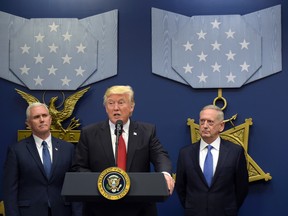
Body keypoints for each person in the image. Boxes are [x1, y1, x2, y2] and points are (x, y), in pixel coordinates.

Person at [72, 85, 174, 216]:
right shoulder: (89, 133)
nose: (116, 108)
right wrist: (100, 183)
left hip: (139, 208)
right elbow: (79, 166)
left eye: (121, 102)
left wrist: (165, 173)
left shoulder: (146, 131)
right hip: (100, 208)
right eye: (111, 103)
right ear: (105, 108)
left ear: (131, 107)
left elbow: (160, 155)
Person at [3, 102, 81, 216]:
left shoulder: (68, 148)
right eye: (36, 117)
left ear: (50, 119)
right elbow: (10, 192)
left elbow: (75, 187)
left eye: (44, 115)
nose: (42, 120)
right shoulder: (16, 151)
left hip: (62, 211)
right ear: (28, 123)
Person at [176, 105, 249, 216]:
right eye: (202, 121)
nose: (205, 126)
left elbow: (242, 187)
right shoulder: (185, 153)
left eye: (210, 122)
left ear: (221, 126)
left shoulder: (235, 152)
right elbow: (181, 187)